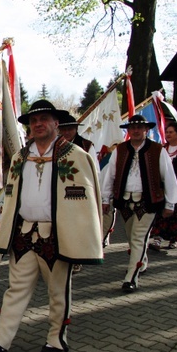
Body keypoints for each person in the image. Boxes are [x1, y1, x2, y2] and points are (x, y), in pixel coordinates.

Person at [0, 100, 103, 352]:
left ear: (56, 123)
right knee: (16, 289)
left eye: (44, 119)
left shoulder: (75, 155)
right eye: (34, 121)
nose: (38, 124)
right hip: (23, 233)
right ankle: (0, 341)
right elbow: (10, 197)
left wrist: (82, 239)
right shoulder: (20, 158)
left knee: (58, 291)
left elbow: (87, 202)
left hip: (56, 235)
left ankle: (57, 337)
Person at [101, 115, 177, 292]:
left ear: (146, 130)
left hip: (149, 202)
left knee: (138, 238)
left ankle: (131, 277)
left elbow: (168, 176)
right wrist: (105, 199)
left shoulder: (157, 150)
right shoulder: (120, 150)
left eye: (139, 127)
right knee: (132, 239)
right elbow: (110, 176)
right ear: (128, 131)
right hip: (124, 202)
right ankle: (141, 261)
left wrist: (170, 203)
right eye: (132, 127)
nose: (136, 130)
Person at [58, 113, 99, 273]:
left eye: (70, 129)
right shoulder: (53, 146)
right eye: (63, 129)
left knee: (77, 228)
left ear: (76, 129)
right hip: (59, 193)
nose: (67, 133)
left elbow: (95, 172)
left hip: (80, 194)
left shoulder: (87, 146)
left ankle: (76, 259)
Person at [149, 121, 177, 250]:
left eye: (171, 132)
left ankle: (173, 239)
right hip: (162, 186)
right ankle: (157, 239)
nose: (168, 134)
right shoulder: (162, 149)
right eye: (167, 132)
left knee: (176, 214)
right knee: (160, 212)